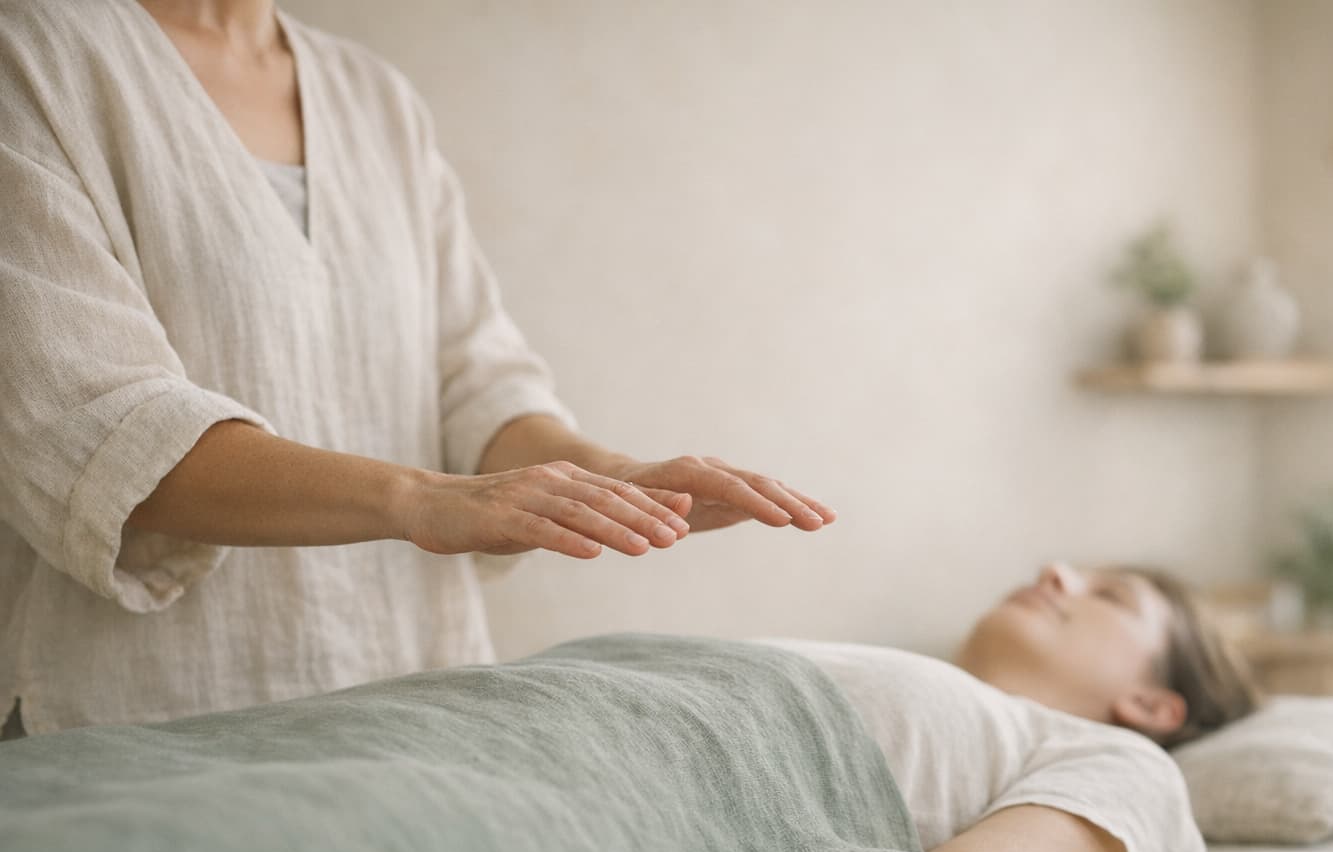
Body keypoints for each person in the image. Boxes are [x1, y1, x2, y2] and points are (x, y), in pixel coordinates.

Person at [0, 0, 835, 739]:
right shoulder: (31, 55)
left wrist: (610, 478)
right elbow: (97, 430)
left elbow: (476, 381)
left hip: (409, 709)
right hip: (147, 725)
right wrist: (421, 500)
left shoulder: (376, 98)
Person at [766, 561, 1262, 852]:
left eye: (1109, 596)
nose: (1054, 571)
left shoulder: (1125, 760)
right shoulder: (913, 675)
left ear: (1150, 705)